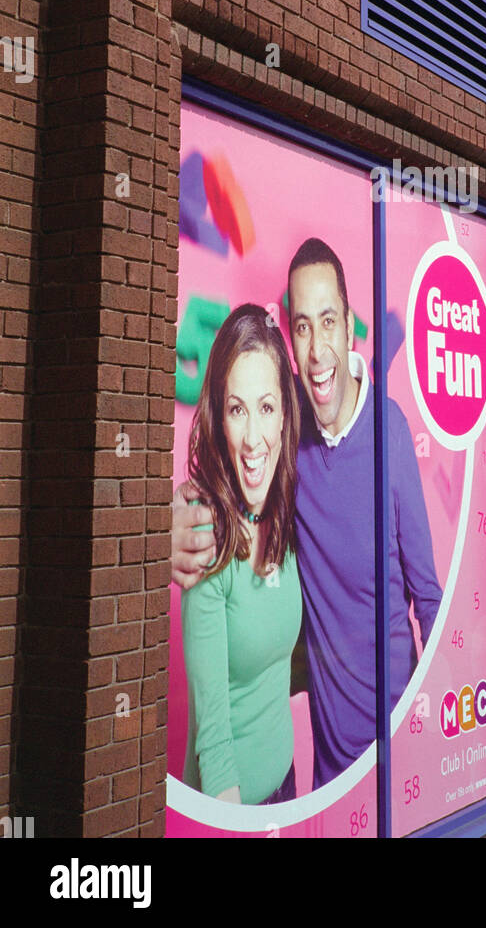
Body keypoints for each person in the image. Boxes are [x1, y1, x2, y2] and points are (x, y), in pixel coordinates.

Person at [173, 240, 443, 789]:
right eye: (301, 326)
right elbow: (231, 448)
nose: (318, 347)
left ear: (348, 325)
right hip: (327, 771)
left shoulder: (389, 429)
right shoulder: (283, 423)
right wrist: (170, 519)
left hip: (401, 747)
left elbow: (430, 599)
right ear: (291, 339)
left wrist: (438, 734)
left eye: (327, 322)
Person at [180, 304, 302, 805]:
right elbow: (214, 737)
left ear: (284, 417)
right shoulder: (204, 536)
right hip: (233, 807)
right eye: (237, 409)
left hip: (288, 785)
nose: (254, 438)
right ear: (218, 417)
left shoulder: (284, 516)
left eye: (266, 407)